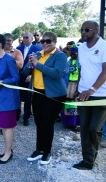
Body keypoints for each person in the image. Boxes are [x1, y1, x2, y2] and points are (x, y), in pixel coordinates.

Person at [72, 20, 106, 170]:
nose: (83, 32)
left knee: (94, 128)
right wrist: (78, 88)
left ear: (96, 31)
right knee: (84, 128)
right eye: (82, 29)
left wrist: (92, 89)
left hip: (101, 94)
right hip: (83, 94)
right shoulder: (81, 48)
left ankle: (92, 155)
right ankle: (88, 161)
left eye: (87, 30)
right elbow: (82, 69)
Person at [23, 32, 67, 165]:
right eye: (43, 41)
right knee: (39, 122)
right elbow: (25, 72)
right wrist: (30, 64)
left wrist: (37, 64)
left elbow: (56, 73)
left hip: (54, 95)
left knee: (48, 123)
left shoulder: (60, 56)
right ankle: (39, 149)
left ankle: (47, 152)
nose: (45, 44)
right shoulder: (37, 55)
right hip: (38, 93)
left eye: (48, 41)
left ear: (54, 42)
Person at [0, 34, 20, 164]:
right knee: (3, 126)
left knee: (8, 127)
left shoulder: (9, 59)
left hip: (8, 98)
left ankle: (8, 152)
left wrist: (2, 82)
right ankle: (5, 149)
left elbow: (15, 78)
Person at [16, 32, 42, 126]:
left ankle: (26, 117)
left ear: (31, 39)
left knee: (28, 98)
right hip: (18, 77)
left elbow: (38, 63)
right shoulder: (18, 49)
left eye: (27, 37)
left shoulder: (37, 49)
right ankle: (16, 115)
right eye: (24, 37)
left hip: (29, 77)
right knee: (17, 97)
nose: (25, 39)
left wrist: (31, 75)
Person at [61, 45, 80, 130]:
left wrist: (78, 88)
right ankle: (66, 122)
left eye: (74, 53)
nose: (73, 54)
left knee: (74, 104)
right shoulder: (68, 62)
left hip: (76, 85)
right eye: (71, 53)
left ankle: (73, 123)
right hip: (68, 85)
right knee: (67, 104)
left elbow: (81, 75)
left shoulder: (80, 63)